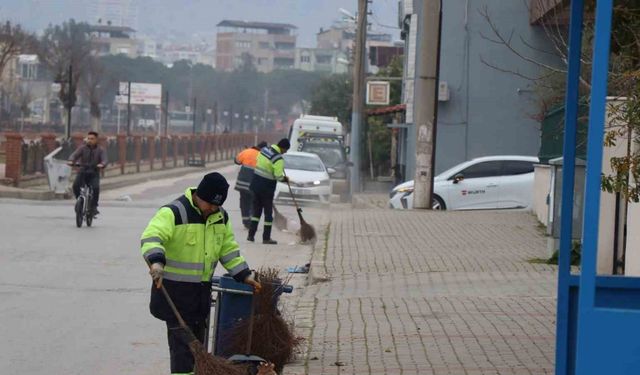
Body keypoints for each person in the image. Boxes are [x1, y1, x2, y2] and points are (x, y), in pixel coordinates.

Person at [140, 172, 262, 375]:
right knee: (183, 351)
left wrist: (244, 275)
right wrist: (156, 262)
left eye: (217, 205)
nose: (213, 209)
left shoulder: (220, 216)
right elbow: (152, 237)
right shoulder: (174, 212)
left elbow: (228, 249)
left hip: (200, 296)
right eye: (210, 204)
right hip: (174, 294)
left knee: (197, 348)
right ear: (199, 196)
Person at [248, 138, 290, 244]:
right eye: (285, 151)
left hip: (255, 184)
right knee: (268, 214)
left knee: (256, 212)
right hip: (266, 188)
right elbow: (278, 176)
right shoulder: (278, 159)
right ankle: (266, 238)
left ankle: (251, 235)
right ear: (283, 148)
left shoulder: (265, 150)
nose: (285, 153)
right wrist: (285, 179)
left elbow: (258, 160)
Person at [67, 131, 107, 215]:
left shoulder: (100, 150)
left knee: (95, 188)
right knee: (75, 186)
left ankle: (94, 206)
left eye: (92, 139)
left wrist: (102, 164)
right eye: (88, 138)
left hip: (94, 173)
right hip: (82, 172)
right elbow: (74, 155)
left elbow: (104, 160)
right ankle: (80, 201)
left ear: (96, 140)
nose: (89, 140)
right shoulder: (82, 148)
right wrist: (71, 160)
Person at [234, 141, 268, 229]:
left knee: (244, 202)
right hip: (254, 185)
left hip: (242, 184)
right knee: (254, 203)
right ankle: (251, 221)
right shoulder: (263, 156)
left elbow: (237, 161)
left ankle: (245, 221)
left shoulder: (246, 152)